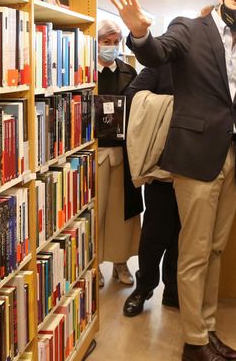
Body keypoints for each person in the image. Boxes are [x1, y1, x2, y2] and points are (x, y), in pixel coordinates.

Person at [110, 0, 236, 361]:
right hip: (194, 159)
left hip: (230, 158)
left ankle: (207, 330)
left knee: (214, 251)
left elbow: (232, 103)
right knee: (193, 252)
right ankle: (194, 343)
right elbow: (157, 53)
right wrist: (140, 34)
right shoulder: (190, 29)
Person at [122, 64, 181, 317]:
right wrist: (172, 105)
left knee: (184, 235)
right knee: (154, 234)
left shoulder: (207, 67)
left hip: (195, 166)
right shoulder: (162, 66)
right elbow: (131, 95)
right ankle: (144, 287)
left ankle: (174, 290)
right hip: (161, 165)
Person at [96, 20, 142, 288]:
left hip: (123, 153)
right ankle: (94, 263)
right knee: (98, 210)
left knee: (120, 211)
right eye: (106, 42)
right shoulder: (84, 72)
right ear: (96, 43)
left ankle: (120, 262)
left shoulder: (129, 72)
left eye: (115, 42)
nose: (111, 47)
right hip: (95, 152)